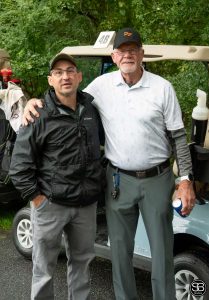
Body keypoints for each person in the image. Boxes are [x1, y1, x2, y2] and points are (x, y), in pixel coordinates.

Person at [22, 28, 196, 300]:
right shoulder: (100, 87)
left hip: (158, 179)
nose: (127, 55)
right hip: (118, 181)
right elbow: (65, 95)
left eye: (133, 50)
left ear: (141, 54)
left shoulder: (163, 88)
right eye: (122, 51)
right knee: (120, 252)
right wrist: (32, 103)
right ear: (114, 56)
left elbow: (178, 136)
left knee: (162, 252)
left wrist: (185, 180)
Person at [9, 53, 105, 300]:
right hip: (51, 205)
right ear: (50, 80)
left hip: (85, 206)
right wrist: (37, 199)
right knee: (44, 271)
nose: (65, 76)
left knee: (82, 266)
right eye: (59, 72)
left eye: (70, 70)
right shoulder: (38, 115)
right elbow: (19, 166)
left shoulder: (92, 110)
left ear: (79, 76)